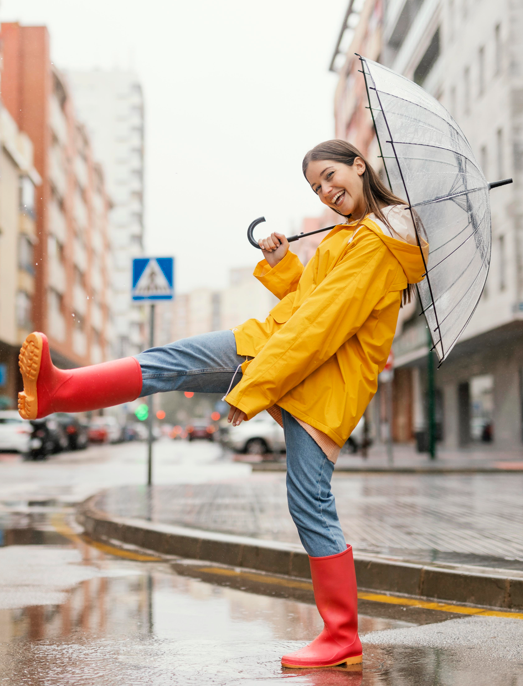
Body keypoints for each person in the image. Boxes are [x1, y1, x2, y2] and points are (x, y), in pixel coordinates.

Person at [18, 139, 427, 670]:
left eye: (331, 176)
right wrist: (283, 266)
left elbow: (320, 326)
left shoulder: (376, 244)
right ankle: (59, 390)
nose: (327, 191)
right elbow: (314, 301)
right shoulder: (357, 236)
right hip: (296, 365)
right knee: (174, 365)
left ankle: (342, 636)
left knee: (305, 499)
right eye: (316, 186)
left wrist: (253, 387)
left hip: (309, 375)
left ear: (359, 165)